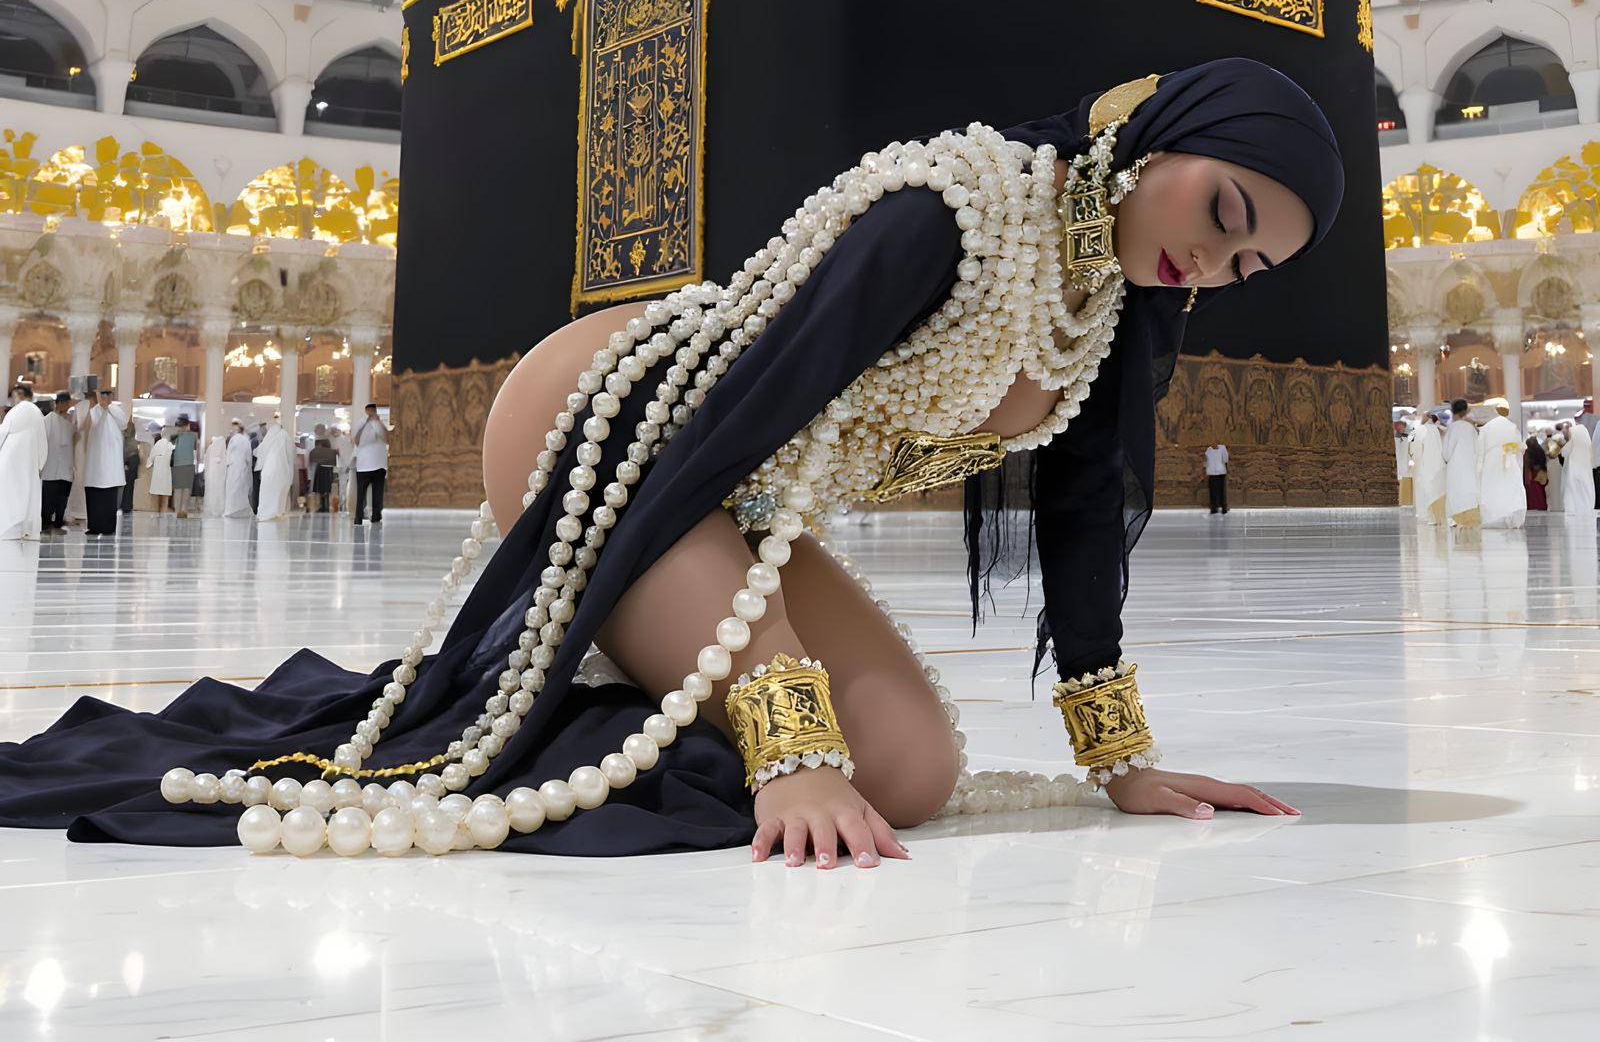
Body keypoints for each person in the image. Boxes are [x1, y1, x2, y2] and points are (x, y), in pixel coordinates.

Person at [0, 59, 1340, 862]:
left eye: (1248, 262)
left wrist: (1123, 761)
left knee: (917, 778)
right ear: (1152, 139)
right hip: (616, 427)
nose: (1213, 259)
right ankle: (606, 654)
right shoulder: (950, 210)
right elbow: (725, 417)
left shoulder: (1106, 317)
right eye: (1222, 211)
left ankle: (622, 669)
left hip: (734, 485)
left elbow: (1083, 526)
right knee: (812, 747)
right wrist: (788, 745)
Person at [0, 381, 48, 541]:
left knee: (10, 492)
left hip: (11, 458)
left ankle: (10, 527)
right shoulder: (36, 412)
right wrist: (40, 463)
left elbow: (3, 432)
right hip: (29, 461)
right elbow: (43, 441)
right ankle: (23, 528)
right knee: (26, 493)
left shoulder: (16, 411)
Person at [79, 388, 129, 536]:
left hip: (111, 462)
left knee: (109, 497)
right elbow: (92, 424)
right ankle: (94, 526)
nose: (106, 398)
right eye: (103, 395)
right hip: (95, 462)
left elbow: (123, 423)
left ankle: (108, 527)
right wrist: (101, 407)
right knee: (94, 496)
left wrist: (108, 408)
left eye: (108, 395)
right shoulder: (94, 411)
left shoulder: (116, 410)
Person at [1475, 403, 1526, 529]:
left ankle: (1493, 517)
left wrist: (1479, 469)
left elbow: (1480, 451)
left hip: (1491, 462)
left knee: (1493, 488)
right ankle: (1511, 517)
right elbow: (1520, 447)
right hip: (1510, 459)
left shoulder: (1487, 428)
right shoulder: (1512, 426)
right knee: (1510, 488)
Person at [40, 392, 75, 534]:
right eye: (64, 403)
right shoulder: (47, 420)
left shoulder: (70, 420)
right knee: (48, 497)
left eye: (68, 404)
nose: (66, 406)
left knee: (62, 496)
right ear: (58, 404)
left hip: (66, 464)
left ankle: (59, 521)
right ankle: (45, 521)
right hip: (51, 464)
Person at [1443, 398, 1481, 528]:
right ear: (1465, 411)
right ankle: (1470, 518)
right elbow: (1478, 449)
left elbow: (1446, 453)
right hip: (1470, 465)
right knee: (1469, 491)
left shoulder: (1451, 428)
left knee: (1455, 492)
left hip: (1454, 467)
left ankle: (1454, 519)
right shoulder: (1471, 428)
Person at [352, 403, 392, 524]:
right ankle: (358, 517)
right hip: (363, 466)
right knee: (361, 494)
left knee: (378, 494)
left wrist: (378, 422)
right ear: (366, 411)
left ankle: (376, 517)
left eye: (373, 411)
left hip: (379, 465)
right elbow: (357, 441)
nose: (371, 413)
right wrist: (366, 424)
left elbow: (387, 438)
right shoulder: (361, 423)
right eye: (369, 411)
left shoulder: (380, 424)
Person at [1408, 412, 1447, 526]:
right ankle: (1435, 516)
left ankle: (1428, 515)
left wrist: (1411, 458)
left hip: (1422, 463)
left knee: (1424, 488)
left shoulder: (1420, 429)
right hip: (1432, 463)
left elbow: (1411, 445)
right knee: (1433, 487)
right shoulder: (1433, 430)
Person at [255, 416, 295, 521]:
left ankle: (265, 513)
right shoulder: (284, 435)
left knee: (267, 492)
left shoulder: (268, 438)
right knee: (278, 492)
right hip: (281, 469)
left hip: (267, 470)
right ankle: (277, 512)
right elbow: (289, 453)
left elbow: (257, 452)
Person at [223, 422, 254, 518]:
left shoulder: (233, 439)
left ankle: (232, 509)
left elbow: (228, 453)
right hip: (243, 465)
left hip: (233, 465)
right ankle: (241, 507)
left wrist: (227, 464)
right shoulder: (246, 440)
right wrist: (249, 465)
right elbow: (249, 455)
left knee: (232, 487)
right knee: (241, 487)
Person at [170, 415, 199, 518]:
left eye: (182, 425)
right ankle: (180, 510)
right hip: (183, 464)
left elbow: (196, 449)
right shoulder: (177, 435)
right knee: (182, 488)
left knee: (184, 489)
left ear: (187, 425)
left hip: (185, 464)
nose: (181, 427)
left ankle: (182, 510)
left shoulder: (192, 435)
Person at [308, 426, 338, 514]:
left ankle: (321, 505)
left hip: (319, 470)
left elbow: (311, 461)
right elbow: (334, 462)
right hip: (328, 471)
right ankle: (326, 506)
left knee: (319, 489)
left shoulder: (313, 451)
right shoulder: (332, 451)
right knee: (327, 489)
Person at [147, 425, 175, 514]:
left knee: (156, 493)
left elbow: (151, 457)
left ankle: (155, 511)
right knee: (165, 494)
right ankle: (163, 511)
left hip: (157, 473)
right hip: (166, 474)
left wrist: (149, 464)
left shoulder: (158, 444)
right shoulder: (171, 446)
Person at [202, 425, 227, 518]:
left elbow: (207, 463)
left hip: (211, 477)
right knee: (218, 492)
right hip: (217, 477)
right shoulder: (218, 452)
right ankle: (217, 509)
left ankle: (214, 508)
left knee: (213, 491)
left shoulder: (210, 448)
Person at [1524, 433, 1549, 511]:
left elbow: (1526, 467)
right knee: (1541, 495)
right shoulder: (1540, 451)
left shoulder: (1527, 453)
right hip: (1540, 476)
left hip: (1531, 478)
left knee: (1533, 497)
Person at [1203, 439, 1229, 513]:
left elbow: (1225, 459)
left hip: (1220, 471)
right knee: (1213, 490)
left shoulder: (1222, 448)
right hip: (1212, 472)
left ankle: (1223, 506)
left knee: (1221, 490)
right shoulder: (1208, 450)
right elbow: (1207, 460)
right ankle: (1214, 507)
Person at [334, 425, 354, 513]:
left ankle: (342, 506)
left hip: (343, 466)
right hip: (350, 466)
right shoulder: (352, 442)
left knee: (342, 487)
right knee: (349, 486)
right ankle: (348, 506)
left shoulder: (340, 441)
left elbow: (338, 453)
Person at [1545, 426, 1566, 512]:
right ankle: (1560, 506)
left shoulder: (1552, 440)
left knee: (1553, 488)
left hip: (1553, 465)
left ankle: (1554, 506)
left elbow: (1551, 454)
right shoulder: (1562, 439)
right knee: (1560, 488)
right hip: (1559, 465)